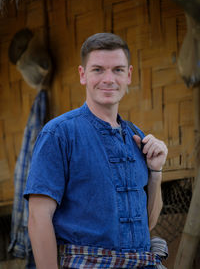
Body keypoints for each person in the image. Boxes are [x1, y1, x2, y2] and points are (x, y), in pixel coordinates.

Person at [24, 33, 168, 269]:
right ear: (83, 75)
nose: (108, 79)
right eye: (98, 70)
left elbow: (148, 224)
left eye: (118, 70)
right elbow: (38, 218)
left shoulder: (138, 138)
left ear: (129, 75)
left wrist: (156, 172)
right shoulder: (59, 133)